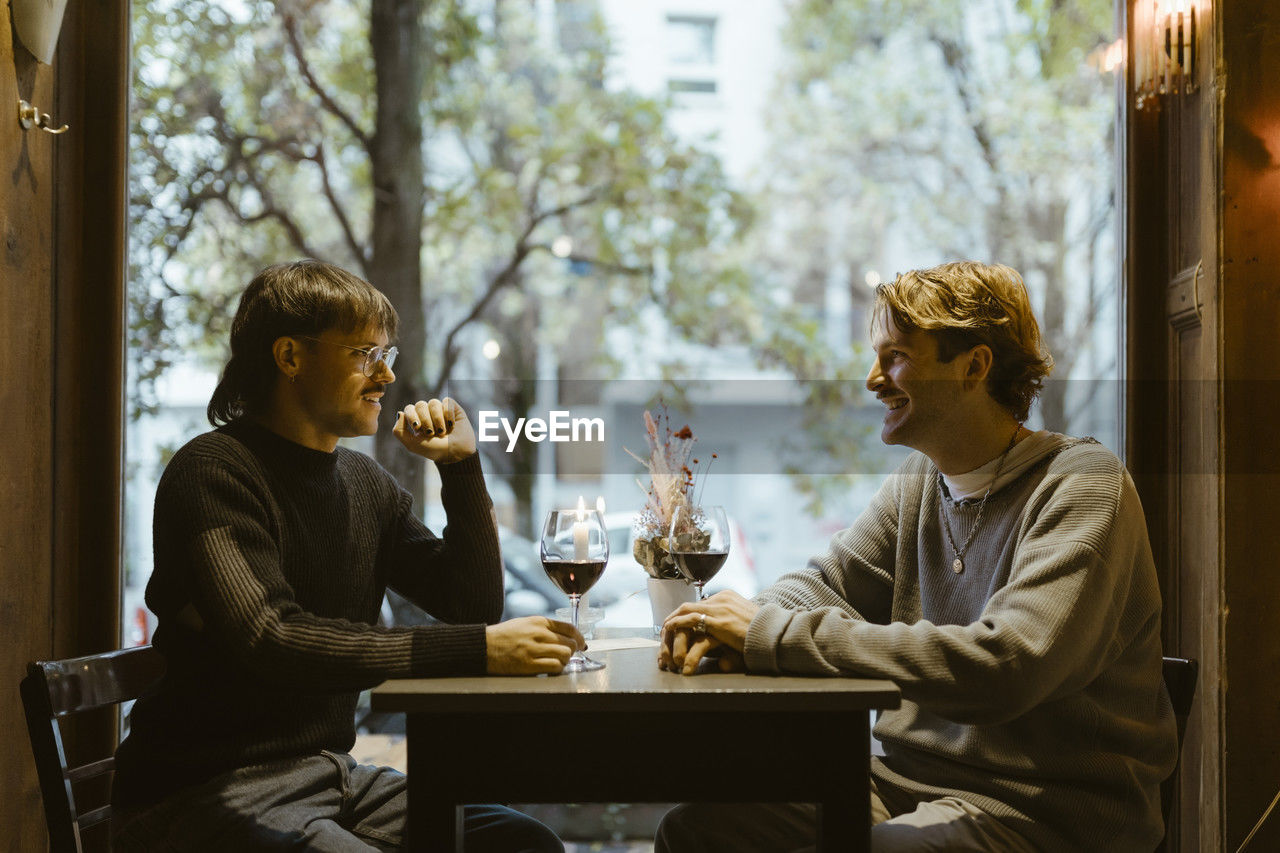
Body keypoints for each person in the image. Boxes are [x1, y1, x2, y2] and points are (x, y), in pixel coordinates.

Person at [655, 261, 1178, 852]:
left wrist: (770, 635)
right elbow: (822, 585)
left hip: (1040, 813)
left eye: (896, 356)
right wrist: (734, 628)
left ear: (974, 366)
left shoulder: (1083, 484)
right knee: (697, 829)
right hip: (907, 788)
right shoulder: (919, 484)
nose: (873, 380)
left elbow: (1007, 667)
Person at [112, 259, 578, 852]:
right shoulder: (212, 472)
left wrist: (461, 467)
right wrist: (481, 650)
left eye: (389, 356)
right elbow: (270, 636)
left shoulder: (365, 484)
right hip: (199, 791)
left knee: (521, 844)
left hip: (328, 777)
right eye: (365, 354)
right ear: (289, 356)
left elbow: (470, 606)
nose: (385, 377)